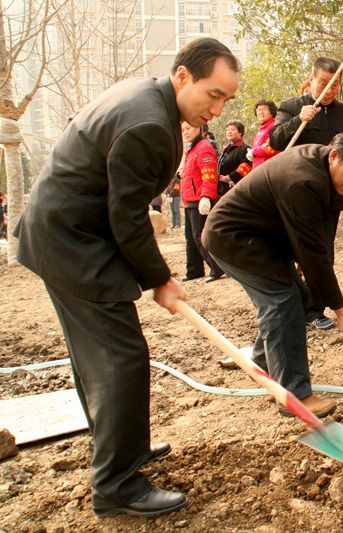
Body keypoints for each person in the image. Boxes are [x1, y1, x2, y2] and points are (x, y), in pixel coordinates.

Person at [13, 38, 239, 517]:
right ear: (182, 76)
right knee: (119, 357)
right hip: (72, 241)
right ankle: (115, 484)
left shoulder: (149, 100)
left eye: (226, 100)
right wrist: (159, 279)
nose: (217, 109)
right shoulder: (147, 123)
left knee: (101, 357)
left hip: (71, 232)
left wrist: (153, 276)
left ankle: (122, 449)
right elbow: (128, 215)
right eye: (212, 94)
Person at [202, 128, 343, 417]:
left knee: (296, 296)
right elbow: (313, 254)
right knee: (282, 301)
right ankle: (293, 396)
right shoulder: (304, 181)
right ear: (334, 155)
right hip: (234, 238)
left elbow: (314, 246)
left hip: (262, 238)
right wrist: (340, 308)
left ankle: (261, 364)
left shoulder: (325, 163)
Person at [269, 56, 343, 331]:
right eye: (324, 83)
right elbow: (274, 140)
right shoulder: (290, 107)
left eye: (335, 85)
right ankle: (288, 307)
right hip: (293, 195)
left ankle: (314, 310)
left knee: (321, 252)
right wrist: (297, 120)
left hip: (331, 196)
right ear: (312, 80)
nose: (329, 90)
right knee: (290, 251)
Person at [180, 121, 226, 283]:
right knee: (190, 238)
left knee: (200, 236)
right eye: (183, 129)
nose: (185, 132)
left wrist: (206, 196)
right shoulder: (191, 149)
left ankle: (217, 268)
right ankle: (194, 270)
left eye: (189, 128)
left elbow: (209, 175)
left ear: (201, 129)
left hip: (200, 199)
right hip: (189, 199)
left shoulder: (203, 147)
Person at [217, 120, 251, 196]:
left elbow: (246, 166)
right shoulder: (227, 148)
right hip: (222, 188)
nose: (229, 132)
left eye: (232, 130)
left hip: (235, 189)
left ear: (240, 132)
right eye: (228, 130)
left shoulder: (244, 148)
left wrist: (229, 177)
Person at [247, 99, 280, 168]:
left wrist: (253, 151)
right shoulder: (262, 129)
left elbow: (271, 147)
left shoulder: (274, 126)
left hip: (269, 168)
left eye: (264, 109)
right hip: (260, 169)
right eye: (259, 110)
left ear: (271, 112)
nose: (261, 112)